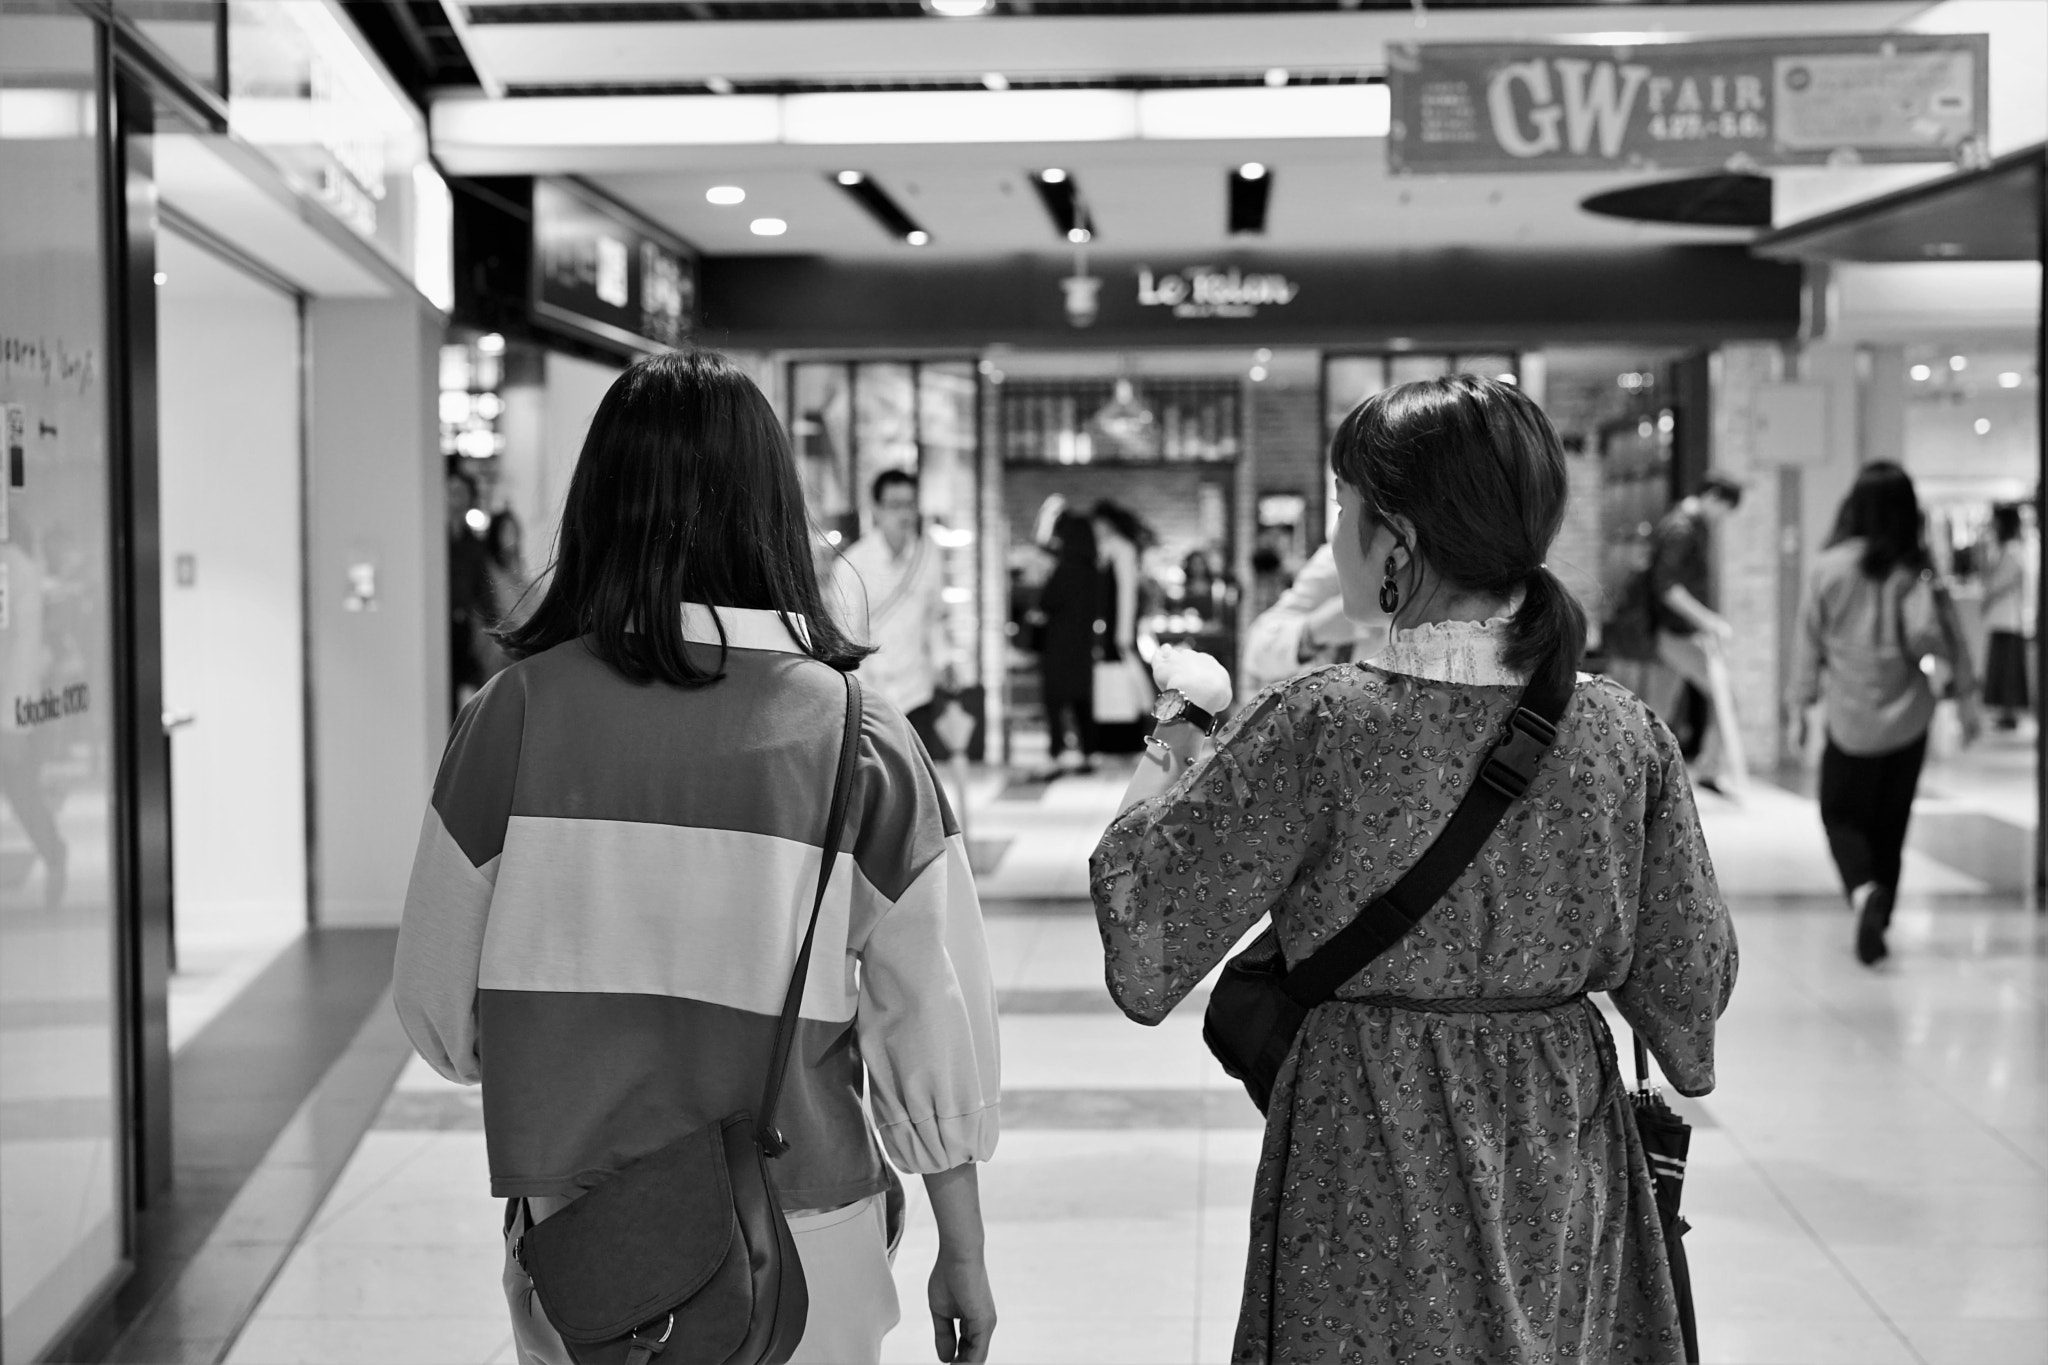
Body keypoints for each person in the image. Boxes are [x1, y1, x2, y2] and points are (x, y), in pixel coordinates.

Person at [1091, 374, 1736, 1364]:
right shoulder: (1621, 733)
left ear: (1396, 541)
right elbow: (1688, 982)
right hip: (1560, 1140)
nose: (1334, 533)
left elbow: (1146, 923)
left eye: (1344, 509)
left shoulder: (1322, 723)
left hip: (1366, 1143)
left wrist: (1170, 734)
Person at [393, 351, 1000, 1365]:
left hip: (592, 1246)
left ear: (598, 506)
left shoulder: (512, 719)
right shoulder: (859, 738)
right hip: (807, 1233)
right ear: (770, 508)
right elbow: (931, 1023)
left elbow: (441, 1018)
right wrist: (964, 1248)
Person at [1787, 462, 1981, 967]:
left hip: (1850, 715)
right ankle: (1882, 912)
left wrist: (1799, 706)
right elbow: (1942, 639)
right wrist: (1964, 697)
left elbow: (1808, 644)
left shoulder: (1828, 568)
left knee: (1840, 813)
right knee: (1890, 823)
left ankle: (1862, 891)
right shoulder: (1915, 569)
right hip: (1909, 717)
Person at [832, 468, 951, 757]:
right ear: (876, 509)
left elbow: (935, 618)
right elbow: (847, 633)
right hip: (871, 694)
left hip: (918, 689)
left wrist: (944, 662)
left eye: (910, 505)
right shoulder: (852, 564)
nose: (905, 515)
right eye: (895, 505)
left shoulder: (928, 557)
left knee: (920, 779)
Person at [1644, 475, 1748, 797]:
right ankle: (1707, 768)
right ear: (1713, 497)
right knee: (1725, 697)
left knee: (1656, 713)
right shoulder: (1682, 529)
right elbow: (1668, 588)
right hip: (1673, 634)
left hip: (1670, 633)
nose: (1721, 518)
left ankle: (1645, 777)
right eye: (1724, 509)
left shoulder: (1681, 524)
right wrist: (1708, 621)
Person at [1036, 510, 1100, 773]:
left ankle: (1057, 752)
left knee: (1055, 700)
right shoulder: (1093, 571)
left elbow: (1047, 602)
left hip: (1058, 644)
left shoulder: (1064, 570)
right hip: (1083, 644)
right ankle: (1088, 753)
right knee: (1083, 701)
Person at [1090, 500, 1153, 753]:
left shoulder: (1122, 549)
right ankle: (1111, 738)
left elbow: (1126, 594)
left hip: (1119, 628)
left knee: (1123, 683)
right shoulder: (1107, 549)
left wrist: (1123, 632)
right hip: (1111, 628)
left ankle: (1125, 739)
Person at [1981, 503, 2031, 730]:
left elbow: (2001, 582)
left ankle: (2009, 711)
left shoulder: (2012, 551)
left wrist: (1988, 597)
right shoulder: (2006, 550)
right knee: (2003, 668)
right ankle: (2005, 710)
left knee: (2008, 668)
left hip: (2009, 619)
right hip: (2003, 619)